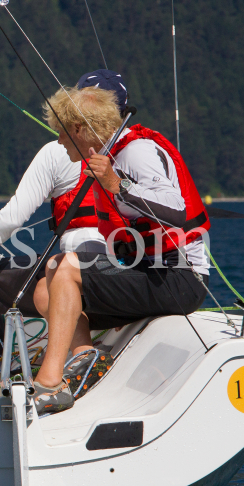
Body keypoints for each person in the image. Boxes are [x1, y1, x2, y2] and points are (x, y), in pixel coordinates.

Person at [0, 70, 128, 405]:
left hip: (77, 274)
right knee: (58, 275)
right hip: (128, 280)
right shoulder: (138, 149)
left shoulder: (56, 153)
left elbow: (13, 218)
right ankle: (83, 352)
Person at [27, 84, 210, 413]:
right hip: (146, 269)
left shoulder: (134, 152)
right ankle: (87, 360)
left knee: (65, 267)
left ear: (80, 129)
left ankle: (50, 384)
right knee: (47, 286)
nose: (59, 141)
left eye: (63, 133)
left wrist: (118, 184)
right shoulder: (108, 156)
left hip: (179, 276)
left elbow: (176, 209)